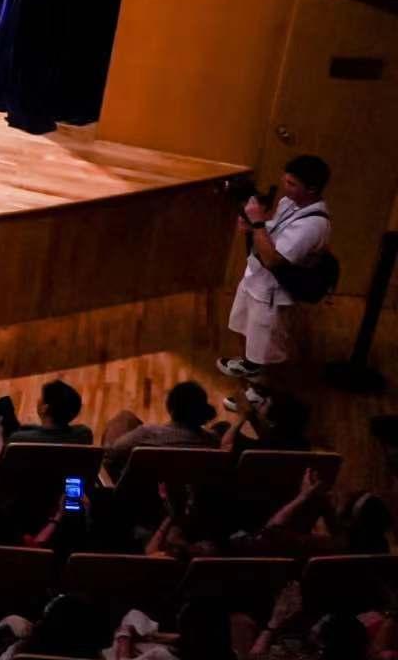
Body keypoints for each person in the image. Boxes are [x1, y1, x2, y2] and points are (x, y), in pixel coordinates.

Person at [221, 154, 334, 385]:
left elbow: (273, 259)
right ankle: (248, 366)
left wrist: (258, 223)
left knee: (265, 347)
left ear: (311, 189)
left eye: (292, 184)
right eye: (285, 180)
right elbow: (271, 232)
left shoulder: (313, 225)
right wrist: (253, 225)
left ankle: (260, 393)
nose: (285, 187)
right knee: (245, 329)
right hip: (255, 278)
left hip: (272, 292)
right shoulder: (288, 203)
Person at [106, 382, 218, 466]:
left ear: (171, 409)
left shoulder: (148, 434)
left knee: (125, 418)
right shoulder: (212, 440)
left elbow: (114, 453)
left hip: (141, 493)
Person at [10, 380, 93, 445]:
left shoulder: (19, 439)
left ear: (44, 408)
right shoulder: (83, 435)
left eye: (41, 397)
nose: (38, 400)